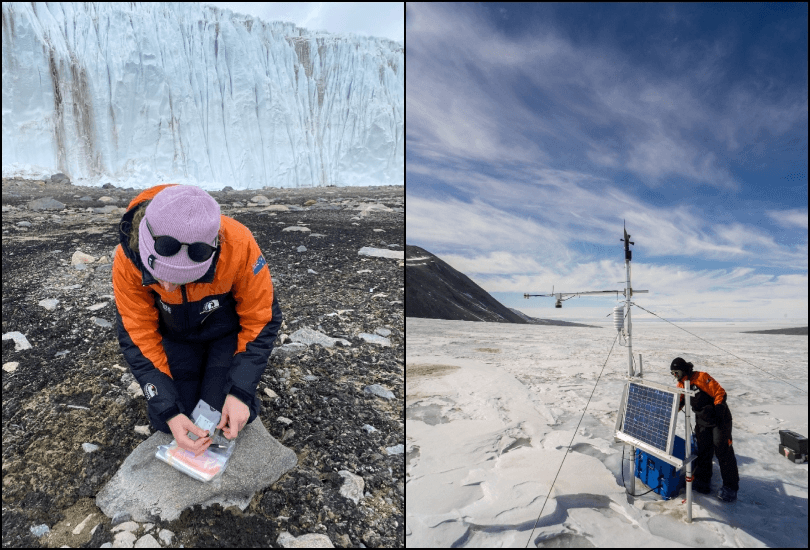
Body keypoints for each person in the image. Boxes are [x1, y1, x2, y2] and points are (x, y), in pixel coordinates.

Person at [113, 184, 282, 456]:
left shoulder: (238, 243)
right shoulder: (127, 256)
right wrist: (168, 410)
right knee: (166, 419)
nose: (166, 288)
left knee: (230, 415)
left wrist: (239, 392)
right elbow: (138, 332)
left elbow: (261, 319)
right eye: (158, 276)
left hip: (225, 334)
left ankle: (227, 381)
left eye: (183, 277)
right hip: (175, 336)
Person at [671, 357, 739, 502]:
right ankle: (702, 482)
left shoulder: (701, 377)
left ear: (683, 370)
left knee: (722, 450)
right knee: (704, 451)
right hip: (702, 421)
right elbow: (680, 401)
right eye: (673, 373)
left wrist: (719, 408)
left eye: (676, 372)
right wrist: (670, 410)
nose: (675, 376)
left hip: (719, 420)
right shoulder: (681, 385)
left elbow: (720, 392)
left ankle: (730, 487)